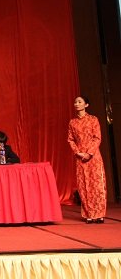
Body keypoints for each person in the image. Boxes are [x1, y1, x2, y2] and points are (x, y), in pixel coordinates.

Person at [67, 95, 106, 224]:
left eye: (79, 102)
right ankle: (89, 213)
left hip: (93, 156)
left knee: (97, 184)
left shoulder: (93, 119)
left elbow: (97, 138)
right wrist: (78, 152)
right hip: (80, 157)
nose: (76, 104)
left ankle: (99, 214)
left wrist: (89, 153)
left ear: (86, 105)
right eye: (75, 102)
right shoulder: (72, 122)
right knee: (84, 184)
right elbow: (70, 139)